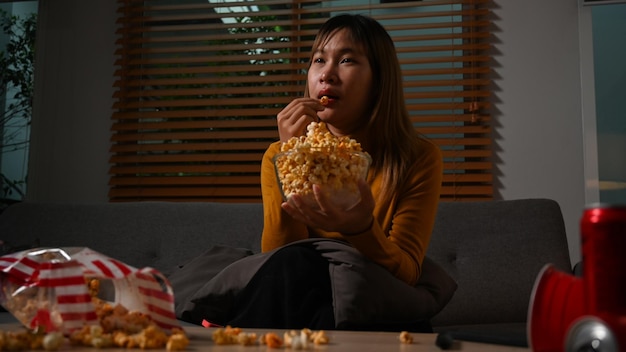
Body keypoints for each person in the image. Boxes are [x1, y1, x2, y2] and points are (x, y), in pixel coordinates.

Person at [223, 13, 443, 331]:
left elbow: (408, 273)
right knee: (295, 263)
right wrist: (293, 160)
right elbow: (277, 257)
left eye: (347, 60)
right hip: (298, 296)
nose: (326, 74)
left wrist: (362, 228)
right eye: (318, 60)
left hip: (374, 300)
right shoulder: (278, 154)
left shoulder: (418, 158)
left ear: (379, 80)